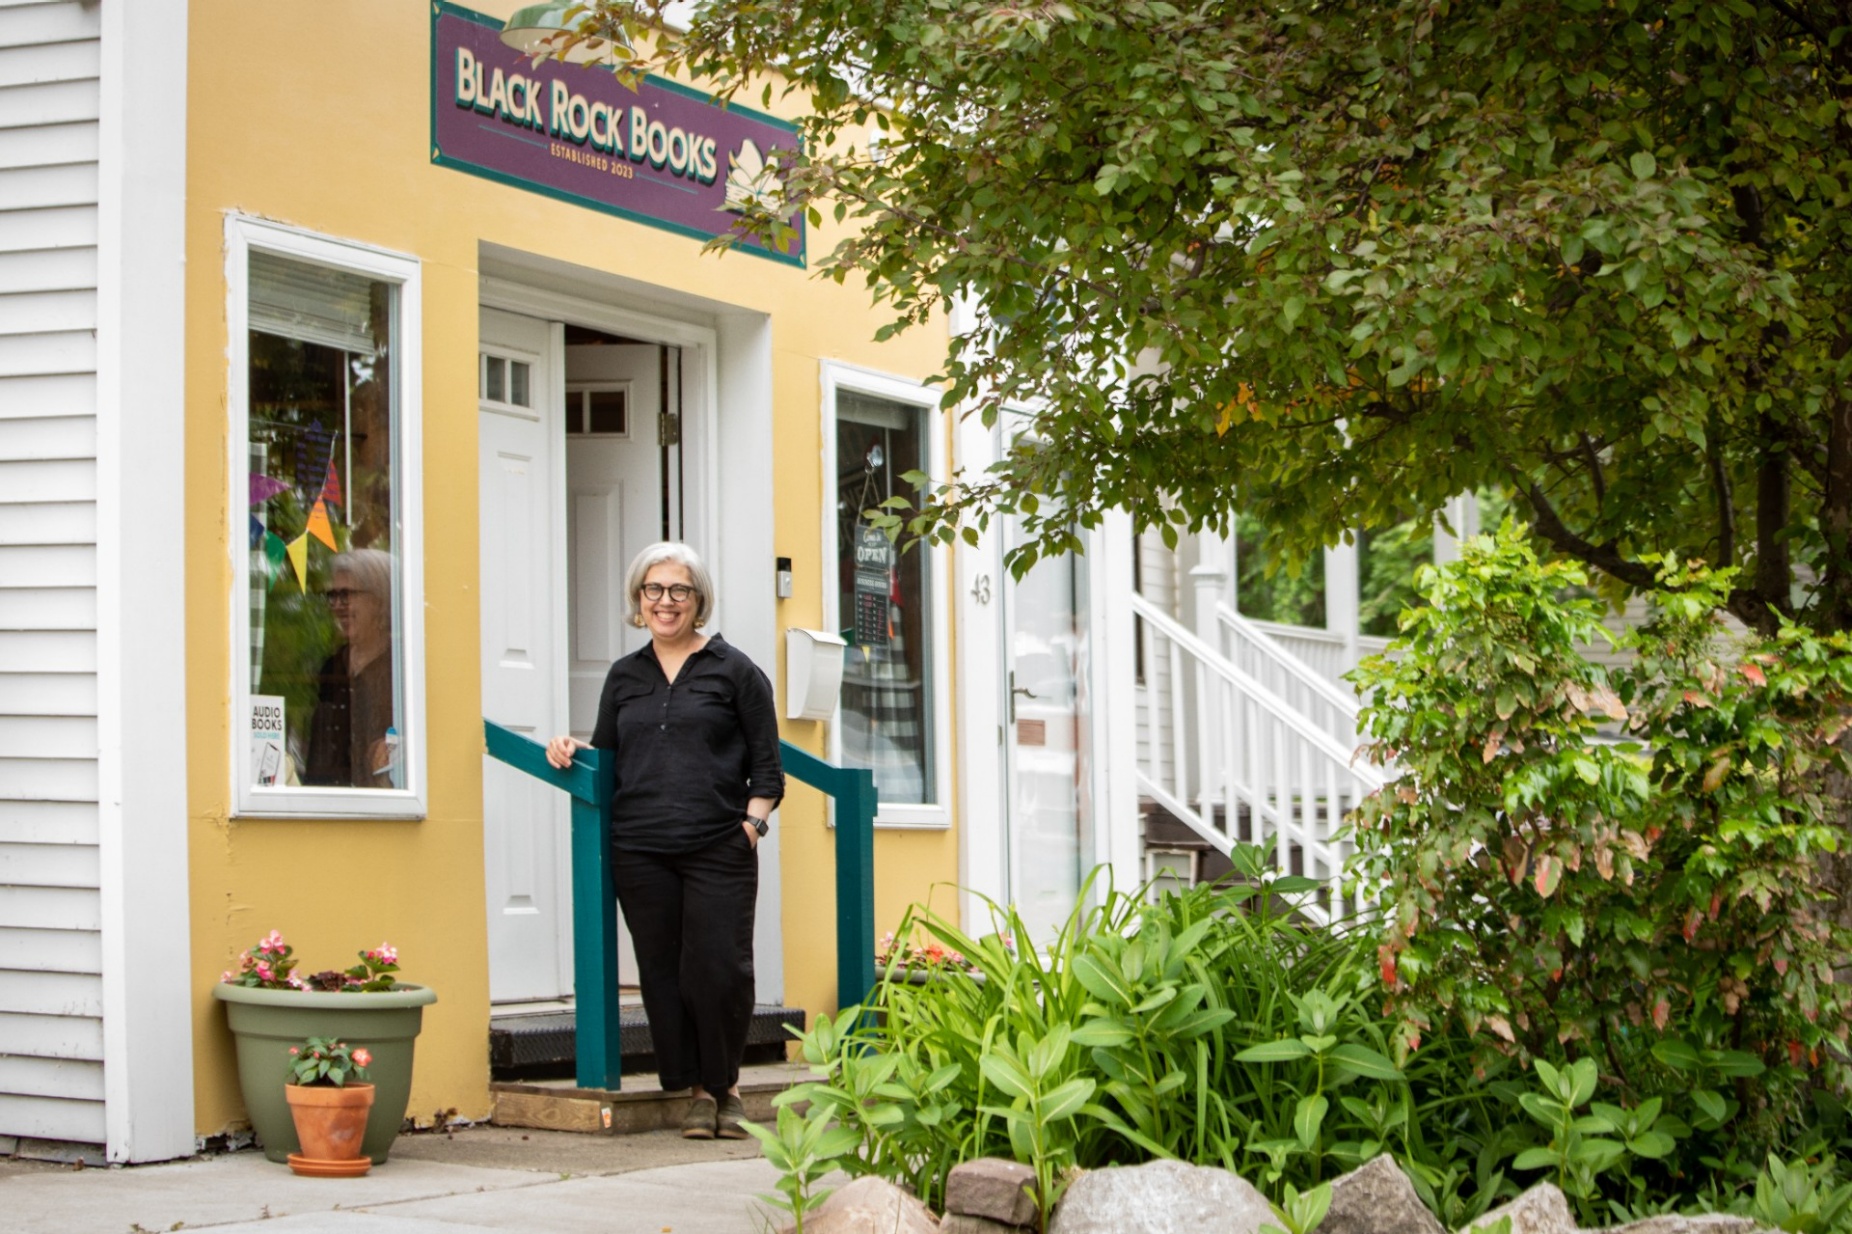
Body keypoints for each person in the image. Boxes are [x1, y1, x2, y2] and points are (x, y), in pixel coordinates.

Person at [546, 541, 783, 1140]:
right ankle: (693, 1091)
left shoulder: (735, 671)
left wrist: (751, 827)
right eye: (654, 590)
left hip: (717, 845)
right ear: (638, 599)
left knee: (719, 968)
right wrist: (573, 749)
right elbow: (609, 753)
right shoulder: (625, 676)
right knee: (662, 970)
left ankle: (725, 1088)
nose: (666, 602)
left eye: (679, 591)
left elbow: (768, 768)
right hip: (641, 847)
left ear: (698, 599)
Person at [304, 548, 398, 787]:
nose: (337, 606)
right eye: (332, 596)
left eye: (346, 595)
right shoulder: (331, 667)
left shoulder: (399, 667)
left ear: (379, 599)